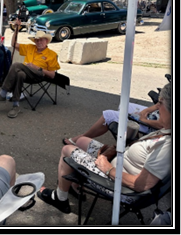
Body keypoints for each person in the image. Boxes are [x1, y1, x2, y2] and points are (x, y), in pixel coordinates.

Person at [38, 83, 171, 214]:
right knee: (82, 141)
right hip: (118, 164)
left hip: (119, 185)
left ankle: (60, 198)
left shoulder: (166, 147)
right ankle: (74, 185)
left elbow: (141, 185)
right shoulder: (167, 129)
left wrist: (108, 168)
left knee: (67, 150)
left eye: (160, 103)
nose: (157, 107)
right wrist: (119, 149)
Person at [0, 19, 60, 118]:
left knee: (16, 65)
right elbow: (13, 44)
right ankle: (15, 105)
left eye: (41, 40)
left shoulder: (52, 54)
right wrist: (17, 29)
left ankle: (3, 93)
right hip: (26, 74)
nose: (39, 42)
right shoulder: (30, 47)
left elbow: (52, 75)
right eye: (37, 40)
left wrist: (37, 68)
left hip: (39, 75)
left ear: (46, 41)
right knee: (20, 74)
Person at [62, 102, 162, 146]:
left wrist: (143, 120)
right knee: (124, 104)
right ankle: (130, 139)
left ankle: (82, 137)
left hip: (154, 126)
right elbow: (158, 105)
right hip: (154, 115)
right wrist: (145, 112)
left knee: (109, 115)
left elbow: (162, 125)